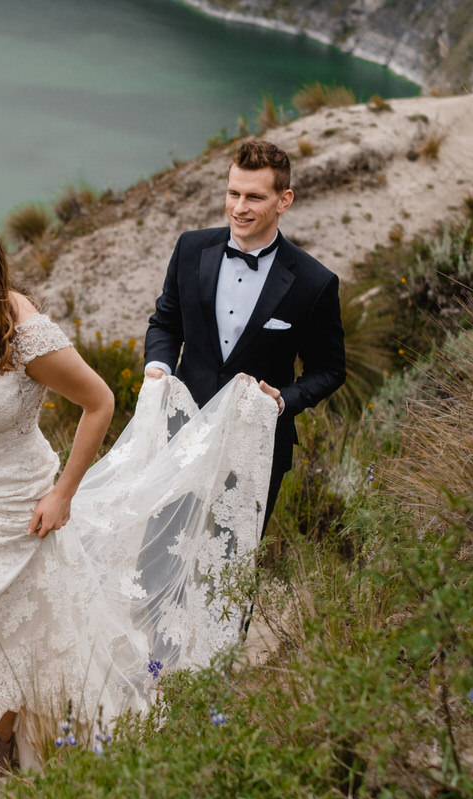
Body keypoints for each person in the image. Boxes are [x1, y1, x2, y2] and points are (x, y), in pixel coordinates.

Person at [0, 203, 279, 799]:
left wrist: (64, 494)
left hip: (11, 497)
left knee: (7, 618)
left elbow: (99, 403)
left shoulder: (27, 337)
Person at [144, 138, 346, 529]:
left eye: (253, 197)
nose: (239, 208)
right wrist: (158, 366)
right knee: (155, 561)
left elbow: (330, 370)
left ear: (284, 200)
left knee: (226, 576)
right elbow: (166, 322)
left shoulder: (314, 282)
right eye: (233, 193)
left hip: (256, 446)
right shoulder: (190, 248)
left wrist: (282, 401)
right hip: (180, 434)